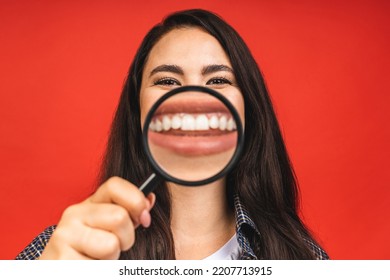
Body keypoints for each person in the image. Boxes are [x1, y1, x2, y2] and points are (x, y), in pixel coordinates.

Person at [16, 9, 328, 260]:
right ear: (138, 111)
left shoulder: (302, 259)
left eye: (218, 80)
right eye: (167, 81)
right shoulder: (62, 252)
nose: (192, 98)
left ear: (248, 110)